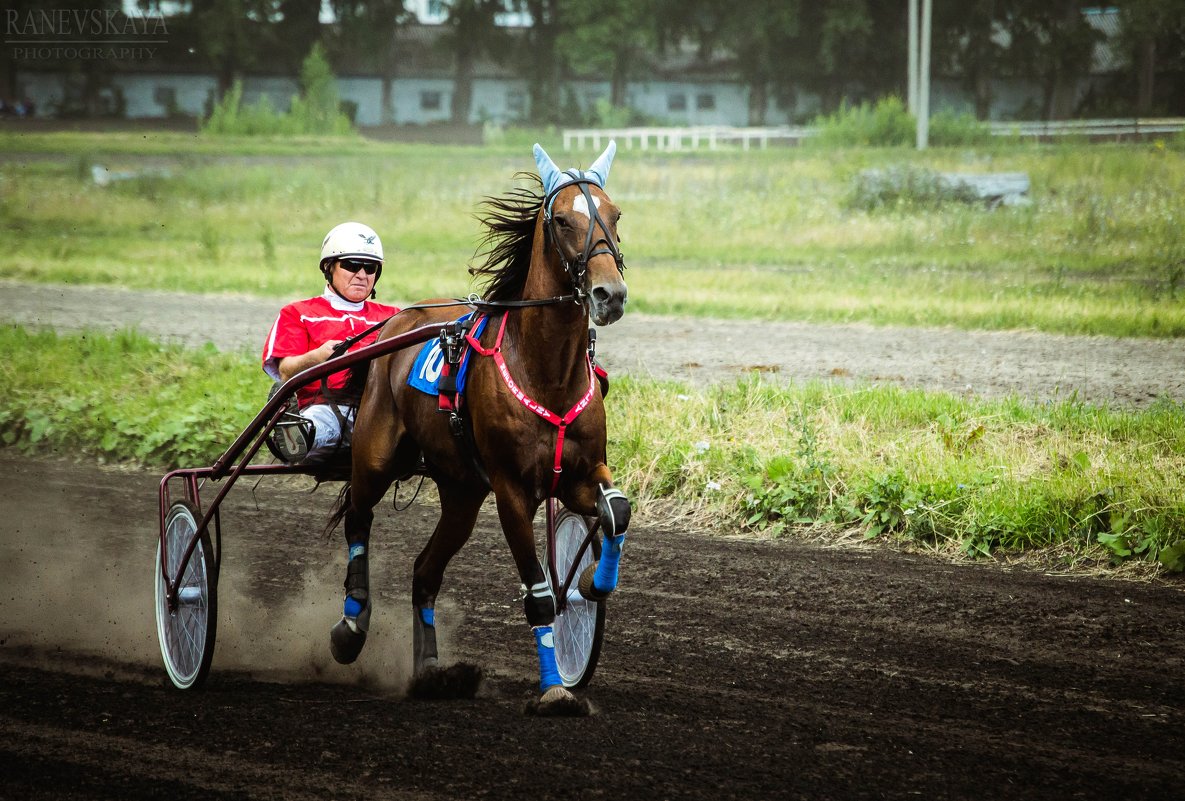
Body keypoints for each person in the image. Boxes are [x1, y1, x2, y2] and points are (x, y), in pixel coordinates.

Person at [262, 221, 399, 463]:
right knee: (322, 424)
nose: (362, 275)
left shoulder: (395, 317)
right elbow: (285, 370)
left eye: (370, 267)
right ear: (329, 268)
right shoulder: (298, 313)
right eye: (351, 265)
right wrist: (316, 357)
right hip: (327, 407)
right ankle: (298, 436)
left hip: (383, 411)